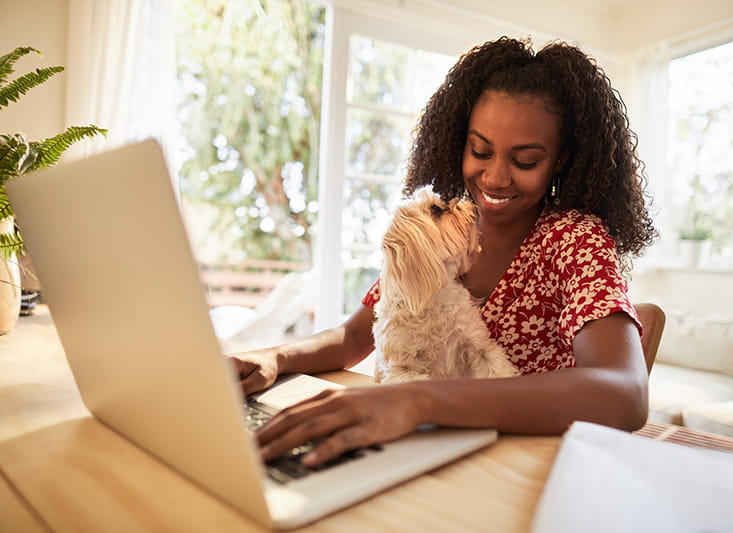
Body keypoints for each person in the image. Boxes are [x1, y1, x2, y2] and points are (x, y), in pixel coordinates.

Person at [230, 36, 657, 468]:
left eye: (524, 160)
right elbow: (358, 335)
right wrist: (274, 357)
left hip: (524, 465)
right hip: (430, 451)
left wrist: (419, 401)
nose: (494, 177)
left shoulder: (574, 240)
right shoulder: (437, 230)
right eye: (480, 151)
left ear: (561, 161)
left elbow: (625, 393)